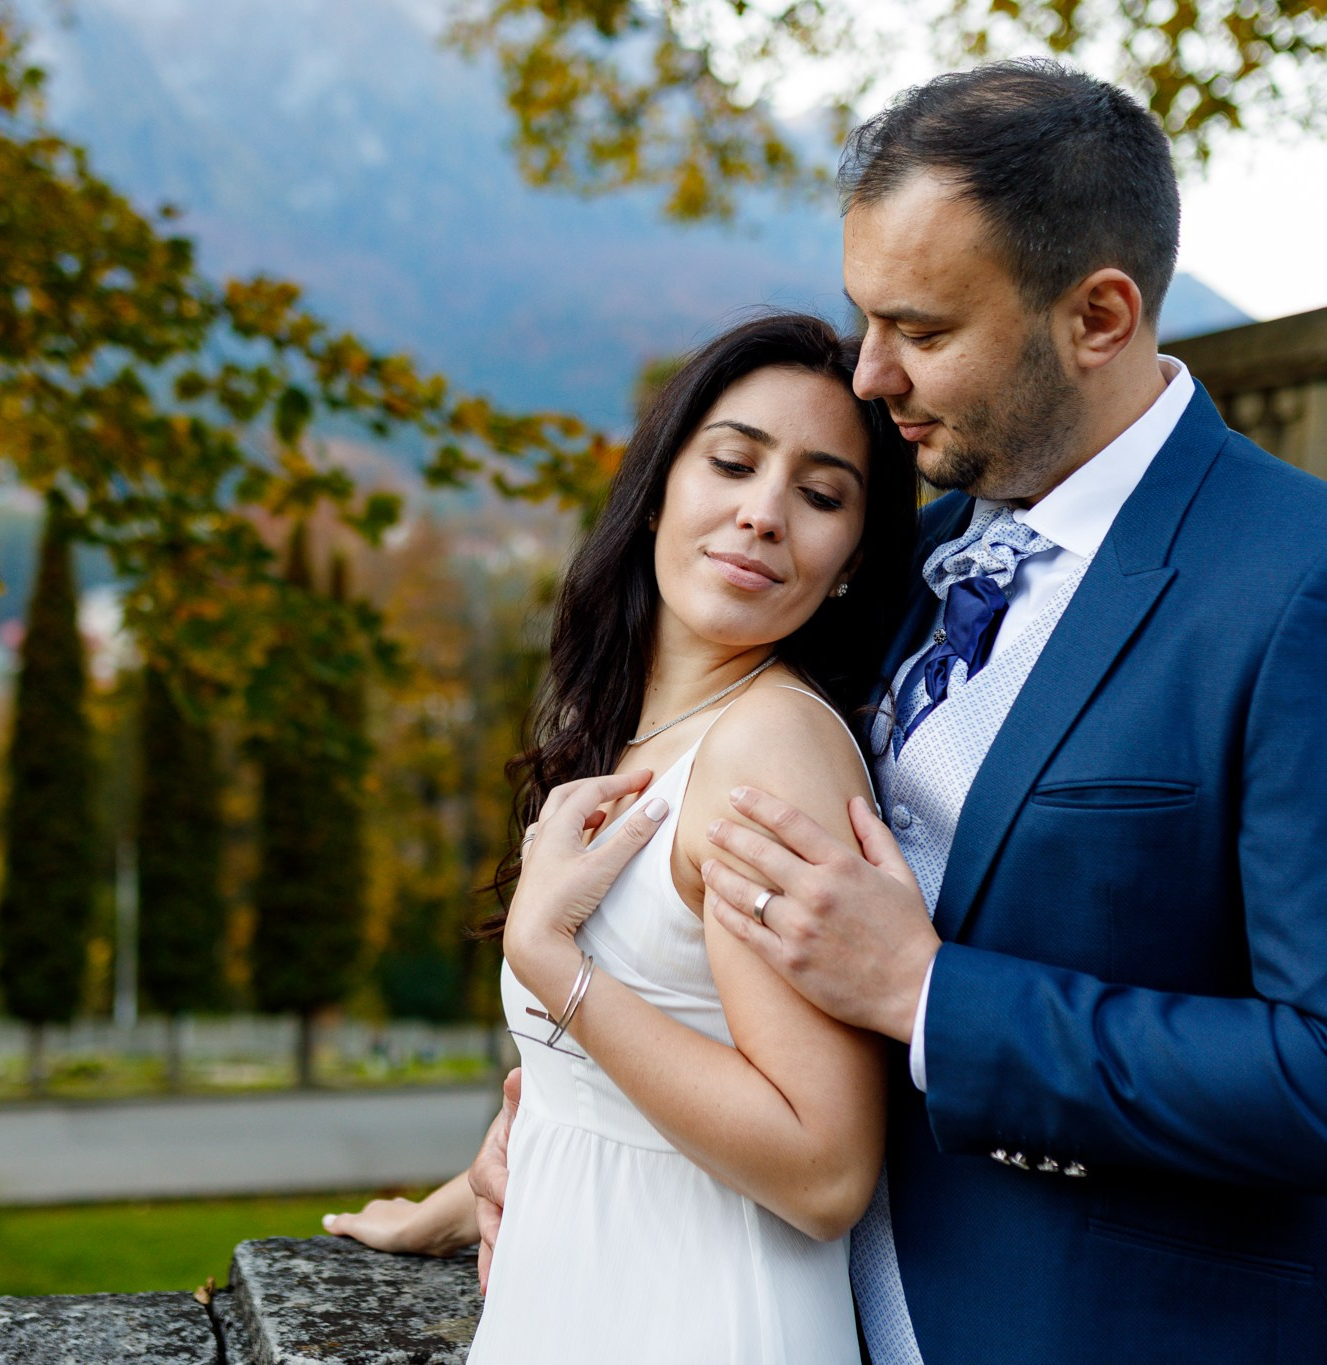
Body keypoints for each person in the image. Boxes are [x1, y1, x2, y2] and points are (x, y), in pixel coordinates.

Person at [473, 62, 1327, 1363]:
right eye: (863, 317)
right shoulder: (891, 559)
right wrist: (558, 1132)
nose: (870, 371)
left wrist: (934, 991)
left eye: (924, 330)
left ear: (1100, 317)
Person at [324, 311, 918, 1362]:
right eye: (731, 464)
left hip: (702, 1318)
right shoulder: (623, 726)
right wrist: (446, 1206)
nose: (761, 515)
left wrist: (554, 968)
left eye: (819, 495)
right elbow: (594, 1095)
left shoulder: (766, 749)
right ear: (655, 492)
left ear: (849, 562)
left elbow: (822, 1169)